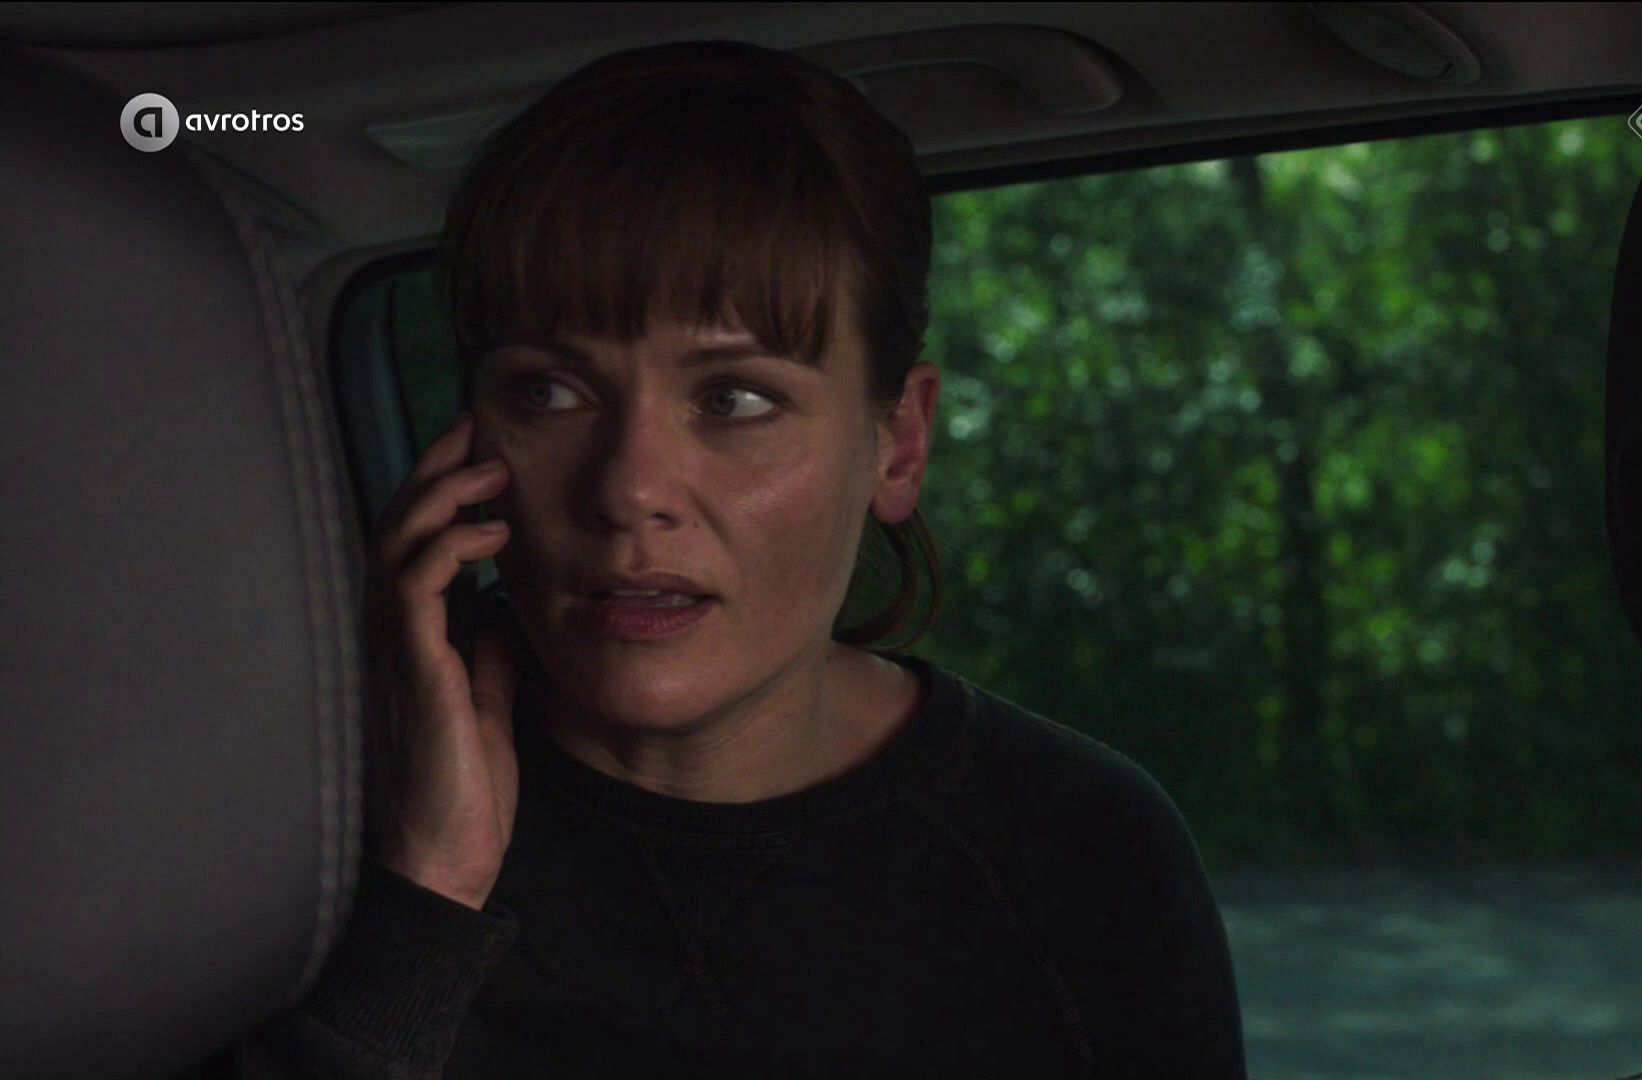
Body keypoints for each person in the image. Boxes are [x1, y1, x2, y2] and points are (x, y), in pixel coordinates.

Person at [187, 38, 1245, 1080]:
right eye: (548, 392)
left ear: (897, 443)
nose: (629, 487)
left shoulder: (1079, 848)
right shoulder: (307, 821)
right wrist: (423, 899)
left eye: (734, 398)